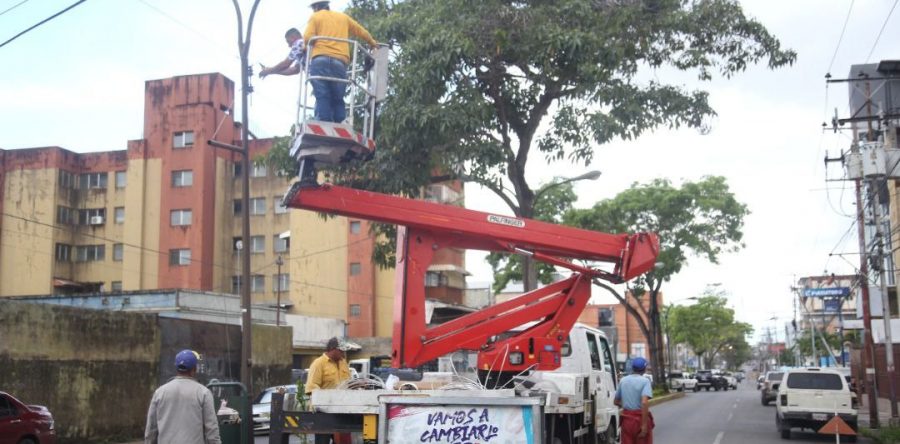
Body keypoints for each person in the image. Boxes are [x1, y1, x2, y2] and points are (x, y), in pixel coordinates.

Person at [303, 0, 377, 123]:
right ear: (327, 5)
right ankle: (339, 123)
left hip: (320, 60)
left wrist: (305, 48)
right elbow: (361, 31)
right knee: (338, 97)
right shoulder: (343, 17)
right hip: (339, 63)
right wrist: (373, 43)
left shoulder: (315, 16)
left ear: (315, 7)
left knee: (322, 95)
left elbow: (307, 38)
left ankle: (324, 122)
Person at [145, 349, 221, 444]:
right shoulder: (203, 393)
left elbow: (151, 429)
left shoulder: (160, 392)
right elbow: (211, 429)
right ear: (194, 369)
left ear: (176, 367)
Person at [306, 337, 352, 444]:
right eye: (341, 351)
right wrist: (329, 397)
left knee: (343, 441)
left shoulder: (343, 363)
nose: (343, 354)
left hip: (342, 411)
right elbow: (312, 387)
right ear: (332, 349)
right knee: (323, 441)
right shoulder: (318, 363)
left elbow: (349, 383)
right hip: (323, 413)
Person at [614, 357, 654, 444]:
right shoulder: (645, 381)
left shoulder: (623, 381)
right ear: (644, 369)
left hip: (626, 420)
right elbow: (644, 402)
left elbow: (616, 401)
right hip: (639, 420)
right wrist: (644, 425)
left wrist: (627, 403)